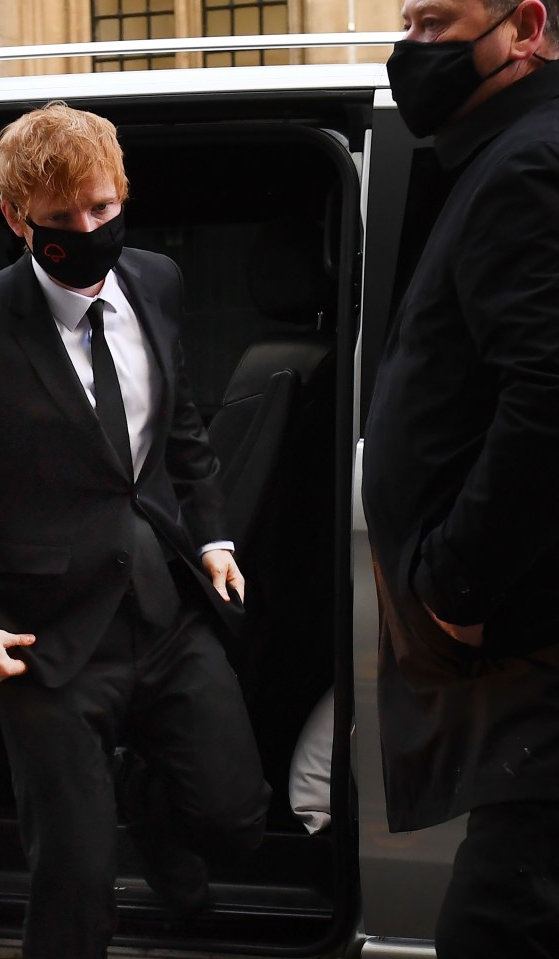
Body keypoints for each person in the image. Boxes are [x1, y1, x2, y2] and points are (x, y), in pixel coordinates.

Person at [0, 102, 270, 959]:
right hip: (43, 641)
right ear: (18, 219)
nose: (88, 230)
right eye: (60, 219)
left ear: (120, 191)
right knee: (74, 878)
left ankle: (144, 799)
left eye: (100, 207)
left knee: (237, 818)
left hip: (164, 611)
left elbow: (181, 425)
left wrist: (212, 538)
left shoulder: (156, 280)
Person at [363, 1, 559, 956]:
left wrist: (454, 582)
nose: (410, 48)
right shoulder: (505, 153)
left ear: (523, 28)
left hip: (531, 649)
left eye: (434, 22)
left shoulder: (525, 164)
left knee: (500, 921)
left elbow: (549, 395)